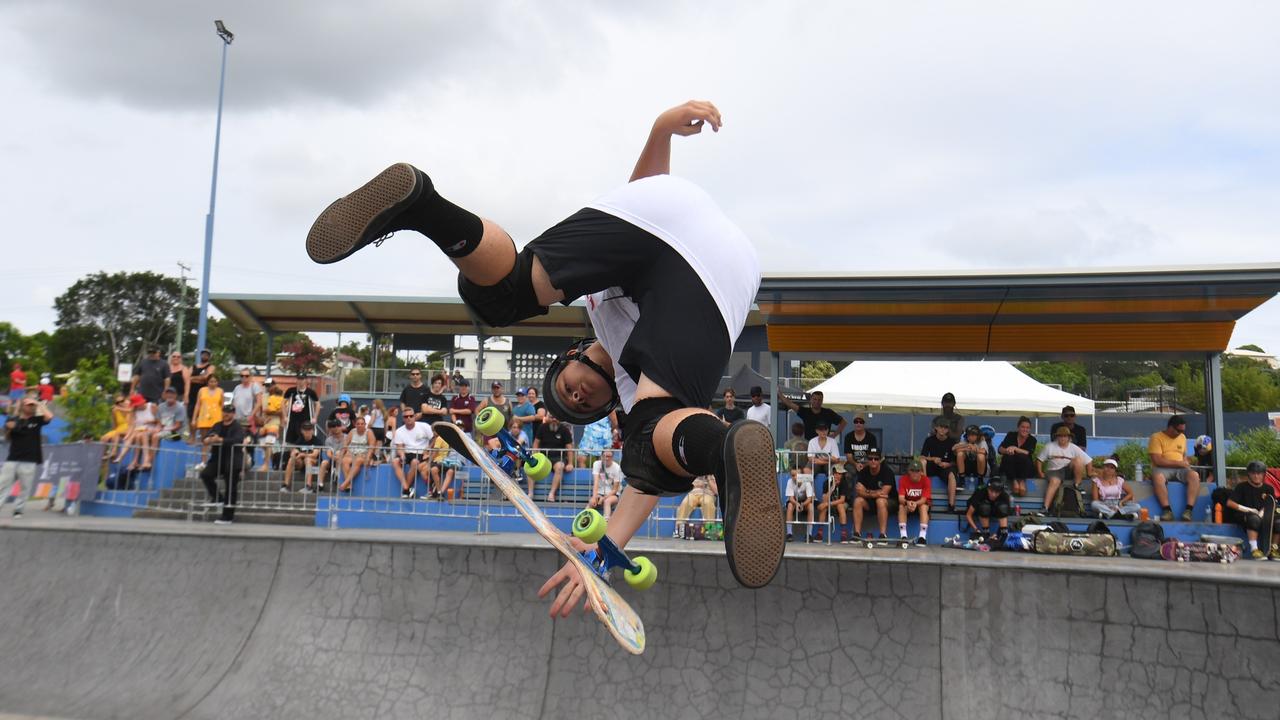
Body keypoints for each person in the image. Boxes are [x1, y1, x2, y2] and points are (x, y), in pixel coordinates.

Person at [306, 100, 783, 600]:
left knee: (511, 305)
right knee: (641, 432)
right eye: (585, 405)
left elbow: (642, 196)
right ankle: (724, 452)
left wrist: (658, 132)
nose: (578, 399)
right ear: (609, 405)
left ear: (573, 355)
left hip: (673, 220)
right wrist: (602, 553)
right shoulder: (634, 384)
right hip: (716, 265)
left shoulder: (599, 312)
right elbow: (641, 486)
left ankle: (423, 204)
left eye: (567, 393)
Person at [0, 396, 52, 517]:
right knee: (3, 485)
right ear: (23, 406)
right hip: (13, 458)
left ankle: (18, 510)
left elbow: (49, 416)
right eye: (28, 405)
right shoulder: (14, 419)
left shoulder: (36, 420)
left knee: (25, 487)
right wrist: (16, 411)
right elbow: (8, 427)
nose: (31, 407)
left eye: (31, 405)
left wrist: (38, 404)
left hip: (30, 459)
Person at [200, 407, 248, 525]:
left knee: (231, 487)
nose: (226, 414)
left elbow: (237, 439)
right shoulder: (217, 425)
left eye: (229, 412)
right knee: (205, 474)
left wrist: (220, 439)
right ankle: (217, 497)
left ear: (233, 413)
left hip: (232, 460)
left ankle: (228, 516)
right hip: (218, 459)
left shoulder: (237, 427)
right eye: (224, 411)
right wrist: (208, 440)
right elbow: (208, 437)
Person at [1149, 414, 1201, 521]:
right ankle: (1167, 510)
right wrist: (1179, 464)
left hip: (1181, 469)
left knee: (1194, 476)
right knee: (1158, 477)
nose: (1181, 433)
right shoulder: (1156, 437)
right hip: (1162, 469)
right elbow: (1157, 460)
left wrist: (1185, 462)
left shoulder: (1182, 438)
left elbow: (1183, 456)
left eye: (1183, 431)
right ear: (1170, 427)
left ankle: (1189, 510)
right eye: (1178, 430)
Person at [1226, 461, 1280, 560]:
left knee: (1278, 522)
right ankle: (1254, 549)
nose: (1256, 476)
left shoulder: (1269, 488)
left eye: (1259, 473)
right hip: (1244, 515)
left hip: (1263, 515)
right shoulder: (1241, 487)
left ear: (1263, 475)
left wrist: (1263, 512)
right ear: (1249, 474)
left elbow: (1271, 503)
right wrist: (1248, 510)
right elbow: (1230, 503)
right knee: (1254, 519)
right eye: (1253, 473)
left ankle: (1273, 549)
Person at [1037, 426, 1092, 516]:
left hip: (1067, 470)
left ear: (1069, 438)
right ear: (1057, 437)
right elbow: (1039, 460)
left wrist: (1089, 473)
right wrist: (1040, 473)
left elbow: (1088, 460)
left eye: (1065, 436)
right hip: (1054, 471)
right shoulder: (1049, 446)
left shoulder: (1073, 447)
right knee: (1055, 481)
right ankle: (1045, 508)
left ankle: (1077, 484)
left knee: (1078, 460)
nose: (1063, 438)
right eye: (1060, 436)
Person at [852, 450, 897, 540]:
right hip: (870, 502)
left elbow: (884, 493)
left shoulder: (887, 472)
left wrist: (867, 491)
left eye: (876, 459)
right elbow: (859, 491)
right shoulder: (863, 472)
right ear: (867, 460)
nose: (873, 461)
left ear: (880, 460)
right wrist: (873, 494)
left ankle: (882, 535)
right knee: (858, 501)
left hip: (890, 502)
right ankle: (857, 534)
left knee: (880, 501)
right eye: (870, 458)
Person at [392, 408, 433, 499]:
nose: (409, 418)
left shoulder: (424, 426)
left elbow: (434, 438)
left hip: (420, 452)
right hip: (407, 452)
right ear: (403, 418)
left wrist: (429, 448)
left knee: (415, 462)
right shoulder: (399, 431)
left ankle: (406, 490)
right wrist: (402, 455)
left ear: (414, 417)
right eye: (406, 416)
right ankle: (407, 488)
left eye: (411, 416)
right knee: (395, 461)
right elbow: (399, 447)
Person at [919, 419, 958, 513]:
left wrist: (947, 464)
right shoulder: (929, 440)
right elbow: (921, 456)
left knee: (952, 475)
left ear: (948, 430)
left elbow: (955, 462)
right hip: (932, 466)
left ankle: (951, 506)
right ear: (936, 427)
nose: (942, 430)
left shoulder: (952, 442)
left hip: (944, 467)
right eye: (941, 427)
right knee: (922, 462)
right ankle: (925, 499)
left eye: (945, 428)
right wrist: (933, 459)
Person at [533, 413, 575, 501]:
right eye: (552, 417)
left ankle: (552, 493)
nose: (554, 419)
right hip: (543, 457)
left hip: (558, 458)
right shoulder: (542, 427)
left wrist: (570, 463)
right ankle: (530, 493)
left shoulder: (564, 430)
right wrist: (535, 456)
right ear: (548, 417)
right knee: (531, 466)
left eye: (556, 417)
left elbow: (569, 447)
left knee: (560, 467)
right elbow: (536, 443)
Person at [780, 390, 845, 441]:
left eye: (819, 400)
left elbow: (843, 422)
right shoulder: (805, 412)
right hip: (809, 445)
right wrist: (778, 392)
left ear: (822, 401)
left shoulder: (828, 412)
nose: (817, 402)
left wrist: (834, 435)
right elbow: (789, 404)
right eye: (814, 399)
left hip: (825, 445)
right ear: (811, 400)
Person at [997, 416, 1037, 497]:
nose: (1025, 429)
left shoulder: (1032, 439)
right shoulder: (1011, 435)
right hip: (1010, 468)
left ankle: (1022, 482)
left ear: (1030, 429)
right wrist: (1007, 450)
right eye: (1023, 427)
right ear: (1018, 427)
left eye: (1027, 428)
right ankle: (1014, 481)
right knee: (1008, 456)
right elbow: (1000, 449)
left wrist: (1014, 448)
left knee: (1023, 457)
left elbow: (1027, 453)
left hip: (1025, 469)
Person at [282, 422, 324, 493]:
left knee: (308, 459)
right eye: (305, 430)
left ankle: (309, 486)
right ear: (302, 431)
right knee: (291, 459)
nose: (307, 432)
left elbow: (314, 455)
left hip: (315, 462)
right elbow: (295, 450)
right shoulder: (299, 440)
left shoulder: (317, 441)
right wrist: (294, 454)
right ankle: (286, 485)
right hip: (302, 463)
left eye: (309, 429)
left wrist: (302, 454)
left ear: (312, 430)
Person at [896, 459, 931, 546]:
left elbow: (924, 499)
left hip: (921, 503)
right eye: (912, 470)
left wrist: (915, 503)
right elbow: (900, 498)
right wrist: (908, 502)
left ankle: (922, 537)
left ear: (921, 472)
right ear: (909, 471)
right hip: (908, 503)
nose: (915, 473)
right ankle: (903, 536)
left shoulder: (926, 480)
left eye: (917, 471)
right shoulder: (903, 479)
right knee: (901, 506)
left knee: (923, 507)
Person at [192, 375, 224, 465]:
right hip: (204, 418)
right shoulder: (202, 390)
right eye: (211, 381)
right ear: (207, 382)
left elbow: (222, 406)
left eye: (215, 381)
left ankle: (215, 461)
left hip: (216, 419)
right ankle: (203, 461)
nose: (213, 383)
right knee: (204, 440)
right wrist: (194, 418)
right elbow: (198, 405)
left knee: (215, 440)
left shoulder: (220, 391)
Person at [338, 415, 375, 493]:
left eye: (362, 424)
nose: (360, 425)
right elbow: (345, 444)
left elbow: (372, 446)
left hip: (363, 453)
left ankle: (345, 483)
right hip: (351, 452)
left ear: (365, 424)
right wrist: (342, 454)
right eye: (358, 424)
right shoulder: (352, 431)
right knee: (344, 461)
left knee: (358, 460)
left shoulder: (369, 432)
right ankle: (349, 485)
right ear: (355, 424)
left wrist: (368, 457)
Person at [121, 394, 158, 470]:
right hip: (139, 431)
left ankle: (146, 460)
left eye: (137, 405)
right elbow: (132, 425)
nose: (136, 407)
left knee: (142, 435)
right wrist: (127, 435)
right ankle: (135, 461)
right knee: (138, 436)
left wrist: (150, 421)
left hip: (152, 429)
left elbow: (160, 420)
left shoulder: (152, 406)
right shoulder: (134, 411)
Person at [816, 463, 851, 543]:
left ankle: (843, 534)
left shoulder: (844, 483)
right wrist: (832, 488)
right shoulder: (826, 483)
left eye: (840, 474)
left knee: (840, 506)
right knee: (823, 508)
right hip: (830, 504)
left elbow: (842, 500)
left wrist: (827, 504)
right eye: (836, 473)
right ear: (832, 474)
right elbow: (824, 499)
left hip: (842, 504)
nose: (838, 476)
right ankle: (819, 534)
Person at [282, 376, 319, 445]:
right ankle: (292, 453)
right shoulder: (291, 391)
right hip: (293, 419)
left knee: (305, 437)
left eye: (302, 379)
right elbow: (283, 403)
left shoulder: (310, 392)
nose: (300, 381)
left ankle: (305, 452)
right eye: (299, 379)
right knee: (292, 439)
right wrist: (285, 416)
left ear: (305, 380)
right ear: (296, 380)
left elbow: (317, 404)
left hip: (305, 419)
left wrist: (315, 417)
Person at [589, 449, 624, 519]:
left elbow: (615, 490)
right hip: (600, 492)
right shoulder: (597, 464)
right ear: (601, 456)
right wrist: (594, 497)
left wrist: (603, 498)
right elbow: (596, 482)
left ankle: (606, 522)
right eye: (605, 456)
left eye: (609, 456)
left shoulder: (617, 468)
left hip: (613, 494)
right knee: (591, 502)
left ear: (612, 457)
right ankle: (583, 522)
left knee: (607, 501)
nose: (607, 458)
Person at [186, 349, 215, 430]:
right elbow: (187, 378)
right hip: (192, 393)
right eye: (203, 354)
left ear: (209, 357)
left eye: (206, 355)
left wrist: (192, 378)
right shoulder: (193, 366)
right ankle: (192, 436)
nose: (204, 356)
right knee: (191, 415)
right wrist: (198, 378)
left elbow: (206, 377)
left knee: (203, 414)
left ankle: (203, 436)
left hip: (204, 393)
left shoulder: (210, 367)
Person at [784, 468, 816, 542]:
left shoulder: (807, 482)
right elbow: (791, 498)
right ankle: (789, 534)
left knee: (811, 506)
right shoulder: (790, 481)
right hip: (795, 501)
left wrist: (802, 505)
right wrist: (797, 504)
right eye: (793, 475)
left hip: (805, 502)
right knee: (790, 506)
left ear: (802, 475)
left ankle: (809, 534)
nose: (795, 477)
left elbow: (809, 498)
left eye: (797, 475)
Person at [807, 421, 840, 490]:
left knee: (835, 472)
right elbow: (810, 458)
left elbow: (836, 459)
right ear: (817, 431)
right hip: (818, 464)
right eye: (821, 429)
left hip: (828, 464)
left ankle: (831, 494)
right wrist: (828, 459)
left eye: (825, 429)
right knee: (807, 470)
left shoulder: (832, 441)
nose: (823, 431)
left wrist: (823, 460)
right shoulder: (812, 441)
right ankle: (811, 495)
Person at [100, 394, 132, 460]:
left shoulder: (129, 406)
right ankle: (103, 455)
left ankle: (113, 452)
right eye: (118, 402)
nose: (120, 403)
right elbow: (115, 424)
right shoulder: (115, 411)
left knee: (116, 434)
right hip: (119, 428)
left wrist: (119, 408)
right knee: (103, 438)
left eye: (122, 401)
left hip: (129, 428)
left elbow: (131, 411)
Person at [231, 369, 263, 433]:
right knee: (238, 437)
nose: (244, 377)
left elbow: (259, 402)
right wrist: (232, 414)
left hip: (249, 418)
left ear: (250, 376)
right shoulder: (237, 388)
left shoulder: (254, 386)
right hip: (237, 418)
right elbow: (234, 402)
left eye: (246, 376)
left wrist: (252, 415)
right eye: (242, 376)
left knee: (250, 437)